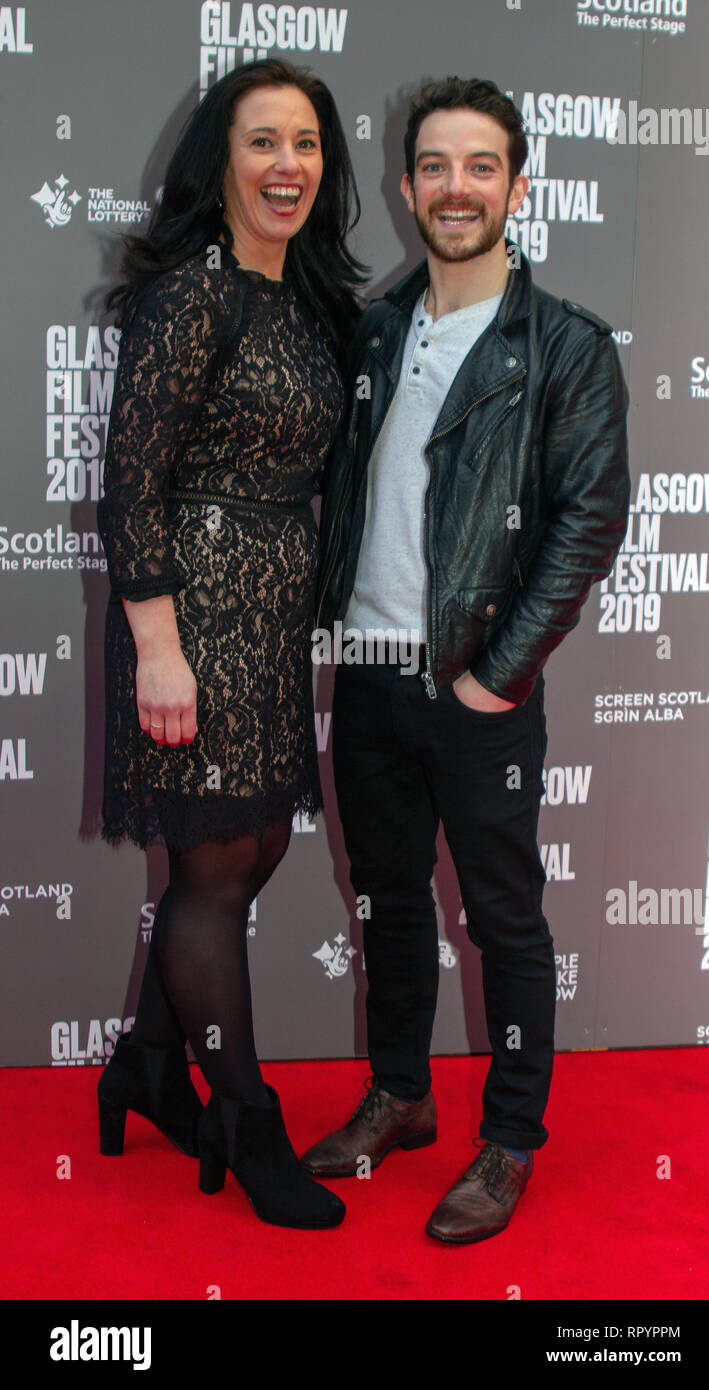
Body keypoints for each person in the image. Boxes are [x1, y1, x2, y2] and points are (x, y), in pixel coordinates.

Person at [303, 76, 630, 1243]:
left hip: (475, 684)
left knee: (500, 919)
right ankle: (399, 1095)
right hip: (368, 672)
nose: (455, 188)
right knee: (390, 902)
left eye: (479, 166)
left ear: (515, 186)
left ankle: (508, 1137)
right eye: (434, 166)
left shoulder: (565, 347)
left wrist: (498, 673)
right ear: (405, 187)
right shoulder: (374, 329)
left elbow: (587, 521)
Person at [96, 58, 366, 1230]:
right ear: (220, 163)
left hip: (267, 614)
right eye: (263, 141)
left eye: (305, 143)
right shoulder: (191, 296)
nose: (286, 165)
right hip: (194, 612)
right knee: (213, 866)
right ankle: (246, 1121)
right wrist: (158, 646)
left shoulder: (302, 300)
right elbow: (131, 483)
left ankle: (147, 1066)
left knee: (248, 849)